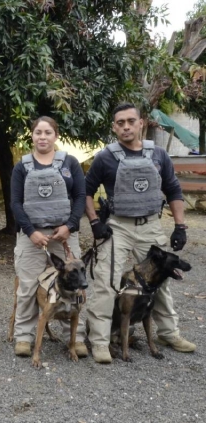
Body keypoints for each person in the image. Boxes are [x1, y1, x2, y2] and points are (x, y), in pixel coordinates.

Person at [85, 103, 194, 364]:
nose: (126, 126)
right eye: (120, 122)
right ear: (114, 127)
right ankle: (100, 341)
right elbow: (86, 191)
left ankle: (168, 333)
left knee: (160, 283)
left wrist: (180, 226)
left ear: (141, 123)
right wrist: (94, 223)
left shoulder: (158, 155)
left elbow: (173, 189)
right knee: (106, 282)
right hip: (118, 227)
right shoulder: (105, 157)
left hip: (150, 226)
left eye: (130, 121)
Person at [10, 116, 87, 357]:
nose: (42, 137)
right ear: (31, 136)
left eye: (48, 132)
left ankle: (74, 338)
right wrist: (31, 231)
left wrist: (70, 226)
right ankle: (24, 337)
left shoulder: (70, 163)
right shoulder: (21, 166)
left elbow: (80, 196)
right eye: (38, 132)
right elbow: (15, 203)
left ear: (56, 136)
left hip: (63, 234)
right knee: (27, 286)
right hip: (31, 236)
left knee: (75, 286)